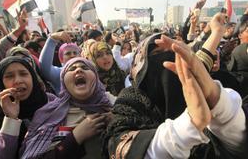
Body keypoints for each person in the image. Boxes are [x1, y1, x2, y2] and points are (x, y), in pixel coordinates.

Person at [104, 34, 247, 158]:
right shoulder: (130, 99)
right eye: (157, 53)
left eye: (174, 53)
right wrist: (189, 125)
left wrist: (218, 103)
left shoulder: (206, 92)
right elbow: (119, 147)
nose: (168, 58)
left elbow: (237, 146)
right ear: (140, 65)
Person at [20, 57, 112, 159]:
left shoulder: (115, 105)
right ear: (63, 81)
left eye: (85, 67)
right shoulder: (49, 115)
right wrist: (76, 137)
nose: (78, 70)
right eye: (71, 69)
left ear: (96, 77)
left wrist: (118, 119)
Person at [0, 57, 49, 159]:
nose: (18, 80)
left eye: (23, 74)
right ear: (0, 82)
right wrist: (11, 120)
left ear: (33, 77)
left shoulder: (51, 102)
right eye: (9, 76)